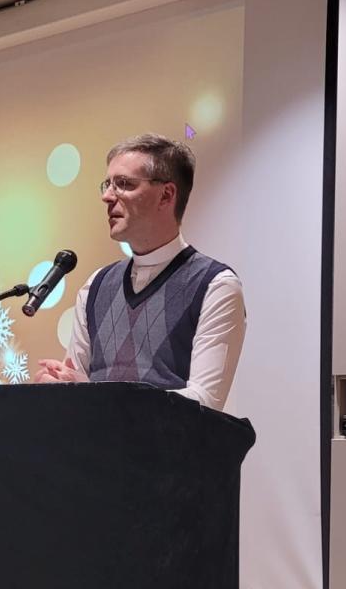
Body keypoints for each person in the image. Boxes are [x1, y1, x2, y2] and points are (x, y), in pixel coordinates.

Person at [35, 133, 245, 411]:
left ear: (166, 195)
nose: (107, 197)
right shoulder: (96, 285)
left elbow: (204, 404)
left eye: (124, 184)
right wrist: (58, 387)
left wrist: (95, 394)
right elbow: (78, 389)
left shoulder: (215, 286)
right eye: (107, 184)